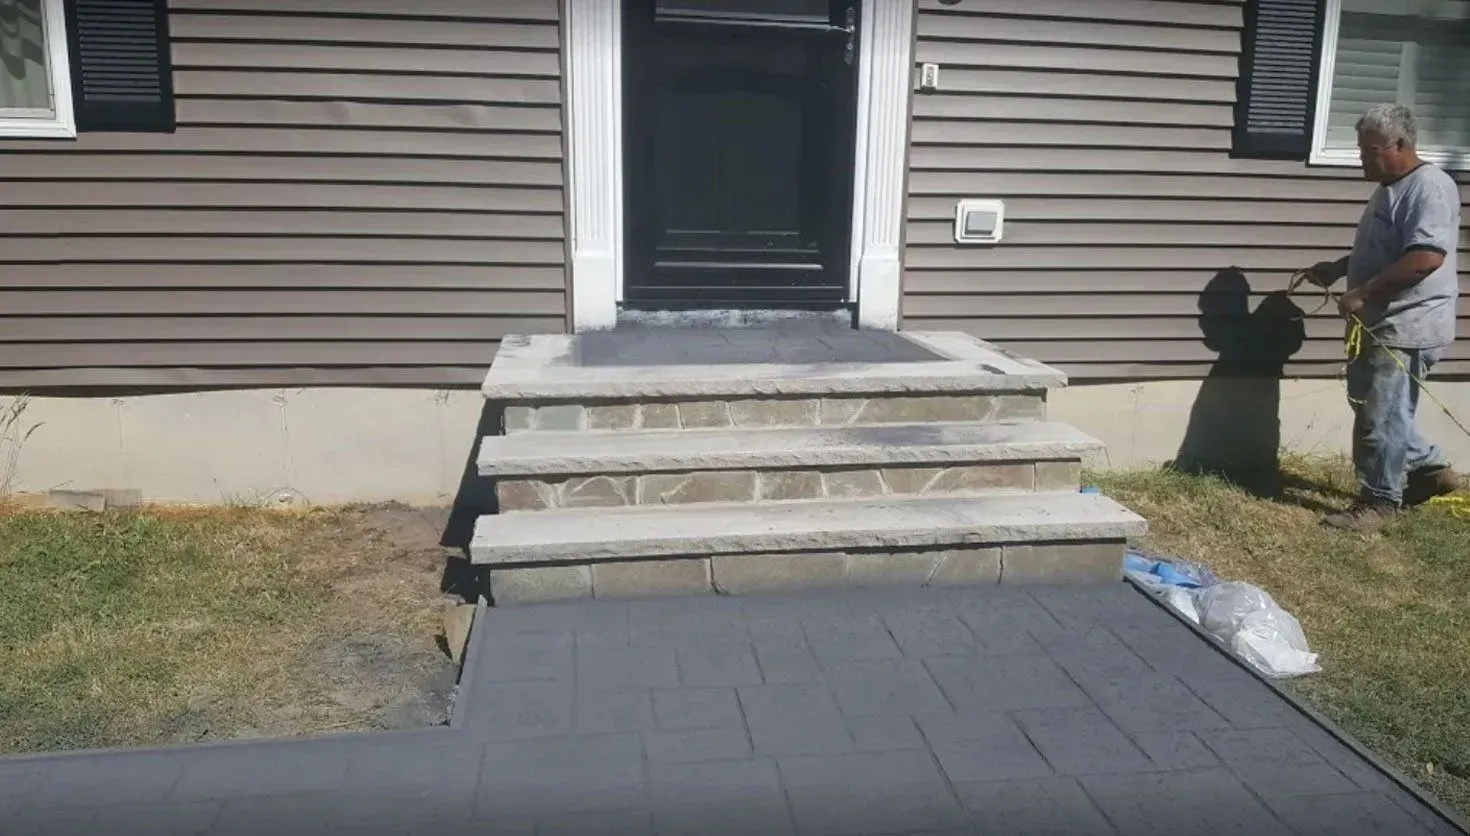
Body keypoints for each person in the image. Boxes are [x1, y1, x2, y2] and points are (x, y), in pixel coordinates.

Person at [1303, 104, 1462, 533]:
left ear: (1400, 145)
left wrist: (1363, 293)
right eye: (1359, 149)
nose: (1360, 157)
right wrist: (1339, 268)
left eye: (1368, 150)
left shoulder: (1428, 188)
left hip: (1408, 324)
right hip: (1384, 321)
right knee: (1372, 405)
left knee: (1381, 417)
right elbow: (1390, 249)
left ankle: (1379, 502)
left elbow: (1425, 257)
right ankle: (1429, 471)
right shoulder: (1390, 186)